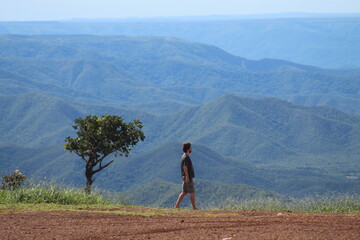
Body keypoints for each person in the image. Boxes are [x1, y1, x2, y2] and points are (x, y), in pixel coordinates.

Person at [174, 142, 198, 210]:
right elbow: (185, 167)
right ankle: (194, 207)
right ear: (188, 149)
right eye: (190, 147)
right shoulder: (186, 157)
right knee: (192, 192)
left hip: (184, 177)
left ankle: (176, 206)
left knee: (184, 192)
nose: (191, 148)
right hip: (187, 177)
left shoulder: (184, 156)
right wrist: (187, 176)